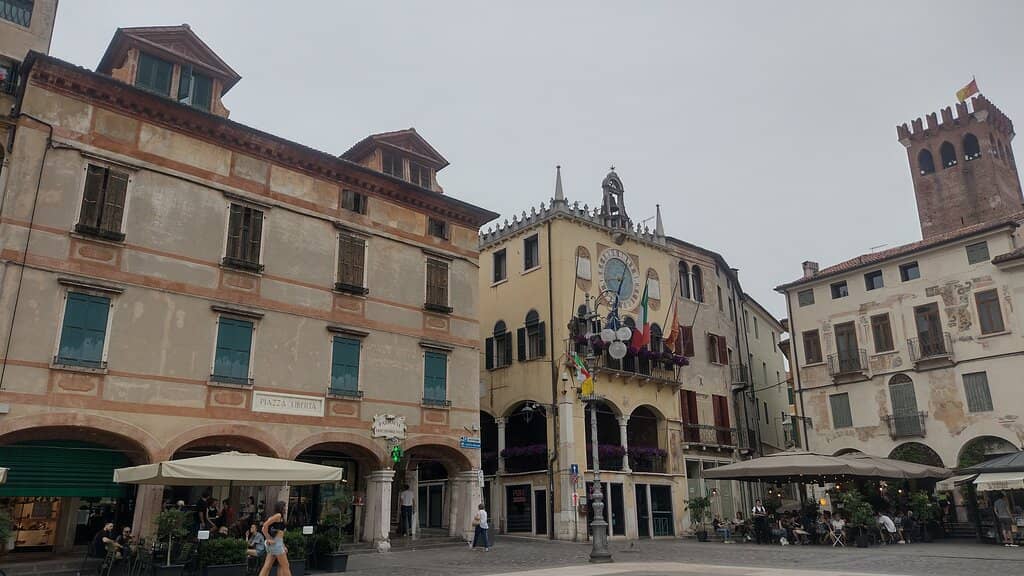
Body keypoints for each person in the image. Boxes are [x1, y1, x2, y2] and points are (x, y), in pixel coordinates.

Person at [258, 501, 291, 576]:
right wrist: (268, 538)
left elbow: (280, 535)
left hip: (276, 544)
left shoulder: (280, 517)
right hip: (276, 544)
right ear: (280, 508)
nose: (285, 508)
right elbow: (264, 526)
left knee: (267, 567)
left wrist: (283, 545)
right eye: (284, 506)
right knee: (286, 566)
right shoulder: (278, 515)